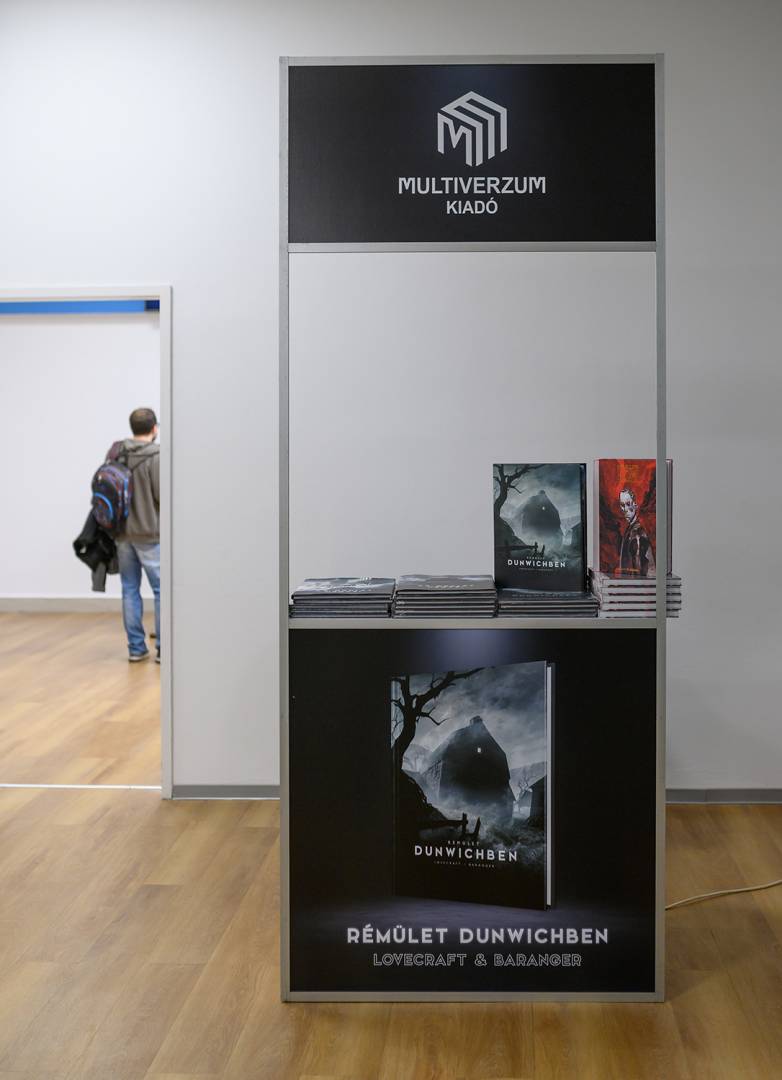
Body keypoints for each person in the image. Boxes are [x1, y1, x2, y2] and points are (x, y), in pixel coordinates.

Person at [110, 408, 161, 662]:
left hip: (122, 534)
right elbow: (162, 496)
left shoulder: (117, 452)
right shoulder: (157, 456)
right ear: (154, 428)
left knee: (129, 589)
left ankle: (136, 649)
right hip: (149, 533)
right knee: (161, 590)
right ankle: (164, 649)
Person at [618, 486, 656, 577]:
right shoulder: (630, 530)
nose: (625, 509)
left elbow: (639, 571)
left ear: (635, 505)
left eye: (628, 504)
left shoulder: (637, 533)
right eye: (622, 505)